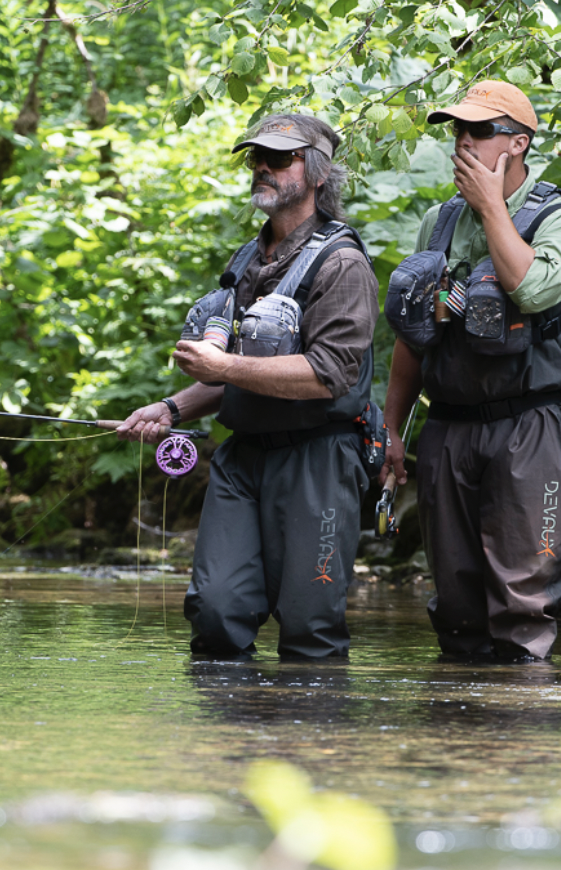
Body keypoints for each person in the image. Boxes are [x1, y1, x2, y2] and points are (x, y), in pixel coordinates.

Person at [118, 114, 379, 659]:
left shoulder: (343, 264)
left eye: (280, 158)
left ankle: (311, 718)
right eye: (257, 157)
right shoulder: (245, 259)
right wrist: (171, 408)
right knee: (215, 615)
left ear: (318, 174)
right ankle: (235, 718)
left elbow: (328, 374)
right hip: (243, 459)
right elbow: (236, 373)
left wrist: (223, 368)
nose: (263, 166)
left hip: (317, 460)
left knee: (310, 630)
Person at [381, 81, 561, 663]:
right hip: (447, 428)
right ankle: (460, 717)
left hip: (529, 427)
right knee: (455, 606)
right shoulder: (439, 222)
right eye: (457, 131)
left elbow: (530, 288)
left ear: (519, 143)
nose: (462, 143)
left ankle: (520, 713)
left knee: (523, 605)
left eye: (478, 131)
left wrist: (493, 207)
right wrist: (391, 428)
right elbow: (413, 335)